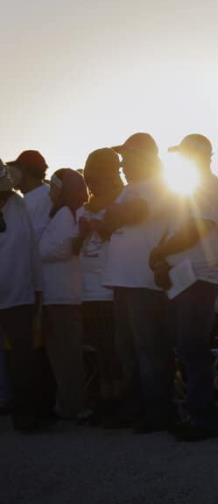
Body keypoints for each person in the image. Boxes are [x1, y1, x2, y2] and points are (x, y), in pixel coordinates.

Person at [148, 134, 218, 441]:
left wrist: (159, 253)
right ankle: (196, 414)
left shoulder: (210, 189)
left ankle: (204, 419)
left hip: (198, 277)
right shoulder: (194, 189)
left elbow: (194, 232)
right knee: (186, 347)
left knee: (192, 347)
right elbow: (177, 230)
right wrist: (161, 256)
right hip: (185, 276)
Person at [98, 132, 175, 433]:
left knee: (149, 349)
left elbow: (133, 213)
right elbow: (108, 222)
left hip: (144, 281)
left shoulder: (158, 187)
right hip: (122, 280)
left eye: (127, 157)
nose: (122, 164)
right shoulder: (129, 189)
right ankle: (136, 410)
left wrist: (114, 215)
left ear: (144, 158)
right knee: (127, 350)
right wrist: (114, 215)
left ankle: (158, 413)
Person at [75, 148, 125, 425]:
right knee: (100, 351)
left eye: (98, 176)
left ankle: (117, 402)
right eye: (89, 176)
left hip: (111, 288)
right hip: (87, 291)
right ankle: (104, 400)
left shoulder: (121, 205)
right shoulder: (82, 209)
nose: (93, 182)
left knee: (113, 350)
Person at [39, 168, 89, 420]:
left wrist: (40, 248)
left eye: (54, 187)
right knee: (59, 354)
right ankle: (67, 403)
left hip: (64, 296)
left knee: (67, 354)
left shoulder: (68, 213)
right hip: (55, 295)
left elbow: (56, 249)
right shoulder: (61, 213)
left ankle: (74, 406)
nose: (50, 191)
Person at [0, 162, 44, 432]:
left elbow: (31, 249)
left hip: (19, 296)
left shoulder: (18, 206)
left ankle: (27, 415)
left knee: (22, 359)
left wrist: (38, 287)